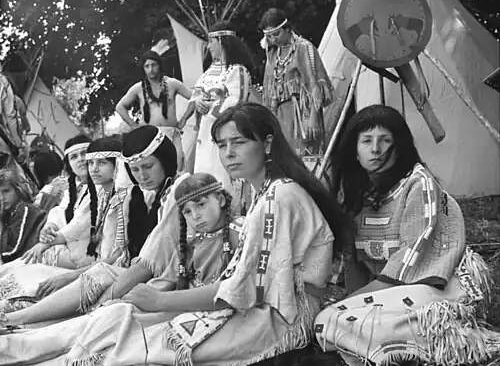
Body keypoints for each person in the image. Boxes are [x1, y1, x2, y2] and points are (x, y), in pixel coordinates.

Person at [0, 103, 354, 365]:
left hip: (276, 317)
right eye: (221, 145)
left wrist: (161, 301)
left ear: (267, 143)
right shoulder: (262, 193)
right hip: (244, 301)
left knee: (131, 343)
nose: (228, 153)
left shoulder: (279, 196)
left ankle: (18, 345)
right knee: (116, 319)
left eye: (238, 142)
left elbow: (246, 290)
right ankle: (14, 341)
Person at [314, 105, 500, 366]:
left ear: (399, 146)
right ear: (355, 151)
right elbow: (355, 263)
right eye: (366, 141)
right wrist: (353, 300)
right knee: (330, 324)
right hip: (386, 294)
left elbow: (410, 260)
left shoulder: (419, 184)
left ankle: (461, 341)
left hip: (434, 291)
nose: (375, 149)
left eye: (385, 140)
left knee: (339, 322)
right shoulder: (356, 193)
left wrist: (351, 303)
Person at [0, 125, 180, 325]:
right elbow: (72, 223)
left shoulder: (162, 194)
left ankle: (16, 318)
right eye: (135, 169)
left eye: (148, 166)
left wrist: (102, 298)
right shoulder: (126, 194)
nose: (142, 176)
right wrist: (48, 237)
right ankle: (16, 314)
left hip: (140, 275)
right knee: (43, 265)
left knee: (89, 275)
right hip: (110, 266)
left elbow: (138, 260)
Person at [181, 21, 255, 195]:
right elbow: (196, 94)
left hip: (227, 133)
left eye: (211, 42)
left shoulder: (237, 70)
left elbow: (237, 101)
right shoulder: (208, 72)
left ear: (221, 41)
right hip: (205, 134)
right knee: (204, 174)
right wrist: (198, 102)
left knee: (224, 177)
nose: (209, 47)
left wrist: (212, 107)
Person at [260, 8, 334, 161]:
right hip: (280, 115)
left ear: (287, 29)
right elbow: (269, 88)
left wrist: (313, 117)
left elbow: (314, 83)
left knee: (306, 159)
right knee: (284, 160)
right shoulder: (272, 53)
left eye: (276, 34)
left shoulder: (304, 48)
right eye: (269, 36)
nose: (273, 39)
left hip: (302, 113)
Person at [21, 135, 93, 268]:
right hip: (69, 246)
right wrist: (50, 227)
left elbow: (80, 224)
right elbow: (59, 212)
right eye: (74, 157)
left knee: (31, 262)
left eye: (84, 153)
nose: (80, 159)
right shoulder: (74, 188)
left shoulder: (100, 188)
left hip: (89, 254)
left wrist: (45, 243)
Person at [115, 50, 192, 171]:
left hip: (171, 132)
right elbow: (120, 107)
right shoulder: (138, 88)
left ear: (159, 65)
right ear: (143, 68)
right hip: (150, 136)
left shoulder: (172, 83)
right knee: (157, 168)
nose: (151, 69)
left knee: (178, 166)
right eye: (147, 66)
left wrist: (184, 119)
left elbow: (194, 98)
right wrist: (134, 126)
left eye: (154, 65)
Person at [0, 169, 46, 264]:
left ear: (18, 190)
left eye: (6, 191)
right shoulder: (8, 213)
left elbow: (10, 252)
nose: (2, 197)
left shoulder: (24, 209)